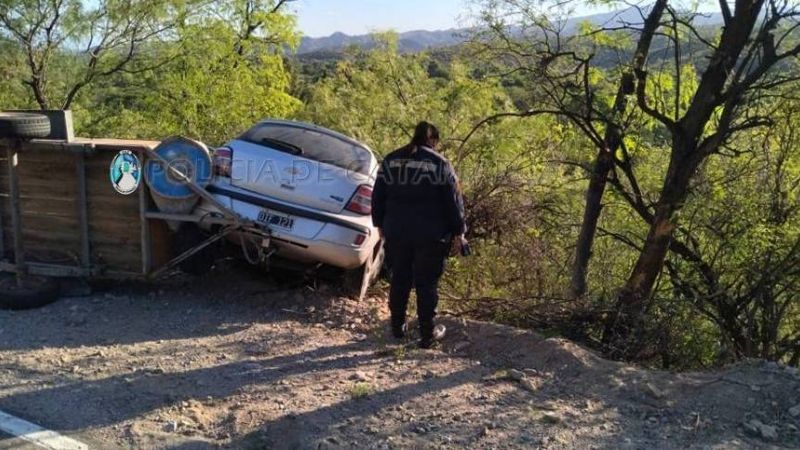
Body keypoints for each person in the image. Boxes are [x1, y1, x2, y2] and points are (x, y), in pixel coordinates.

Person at [371, 121, 468, 349]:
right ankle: (427, 334)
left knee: (400, 278)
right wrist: (459, 232)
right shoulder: (440, 163)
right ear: (433, 140)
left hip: (397, 231)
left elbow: (378, 196)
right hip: (431, 234)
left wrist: (380, 224)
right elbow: (454, 202)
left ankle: (397, 327)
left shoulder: (391, 159)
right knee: (427, 283)